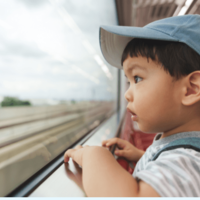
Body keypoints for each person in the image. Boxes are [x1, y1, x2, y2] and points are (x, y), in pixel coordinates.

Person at [64, 15, 200, 197]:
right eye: (129, 82)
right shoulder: (182, 152)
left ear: (191, 89)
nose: (127, 94)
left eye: (137, 78)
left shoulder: (188, 160)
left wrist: (94, 156)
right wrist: (142, 156)